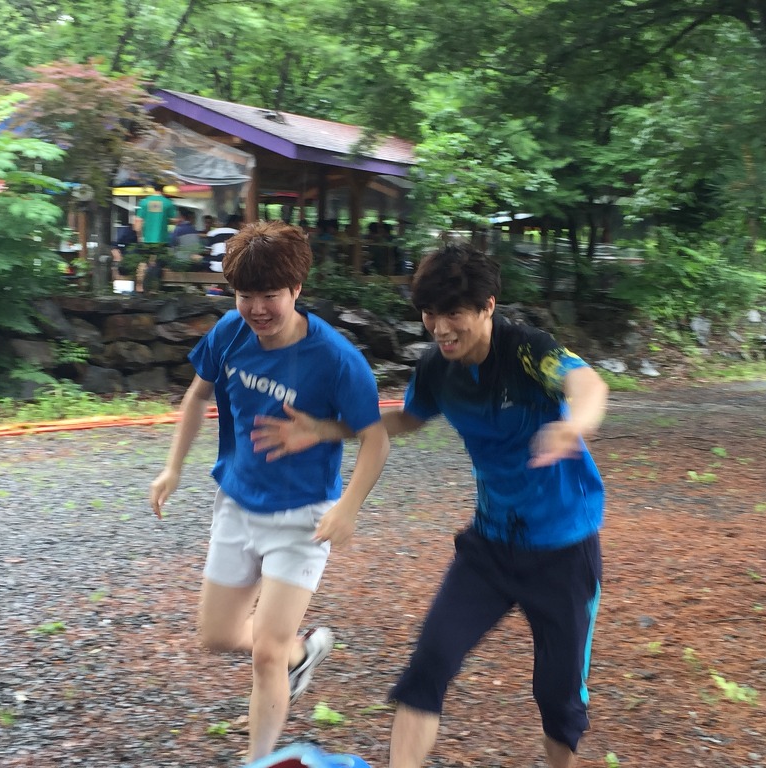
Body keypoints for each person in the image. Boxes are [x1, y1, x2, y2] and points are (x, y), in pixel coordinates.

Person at [250, 242, 609, 768]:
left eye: (453, 314)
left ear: (487, 307)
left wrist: (573, 426)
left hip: (563, 551)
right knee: (428, 667)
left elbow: (589, 385)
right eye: (430, 314)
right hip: (489, 549)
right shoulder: (440, 368)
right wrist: (325, 429)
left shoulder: (528, 351)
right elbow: (406, 418)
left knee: (558, 697)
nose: (440, 328)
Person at [149, 220, 391, 761]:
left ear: (296, 289)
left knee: (265, 653)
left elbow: (375, 439)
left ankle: (258, 757)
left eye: (270, 296)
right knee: (216, 635)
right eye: (245, 296)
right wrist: (172, 469)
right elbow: (197, 397)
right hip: (237, 503)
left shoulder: (337, 359)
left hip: (303, 517)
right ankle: (301, 652)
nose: (257, 309)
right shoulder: (230, 332)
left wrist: (348, 507)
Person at [133, 181, 179, 291]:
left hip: (146, 239)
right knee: (158, 264)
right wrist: (164, 220)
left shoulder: (144, 202)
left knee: (143, 263)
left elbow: (138, 221)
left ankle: (139, 288)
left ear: (153, 189)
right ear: (163, 189)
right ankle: (154, 289)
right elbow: (175, 220)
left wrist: (139, 237)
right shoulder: (168, 203)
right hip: (161, 239)